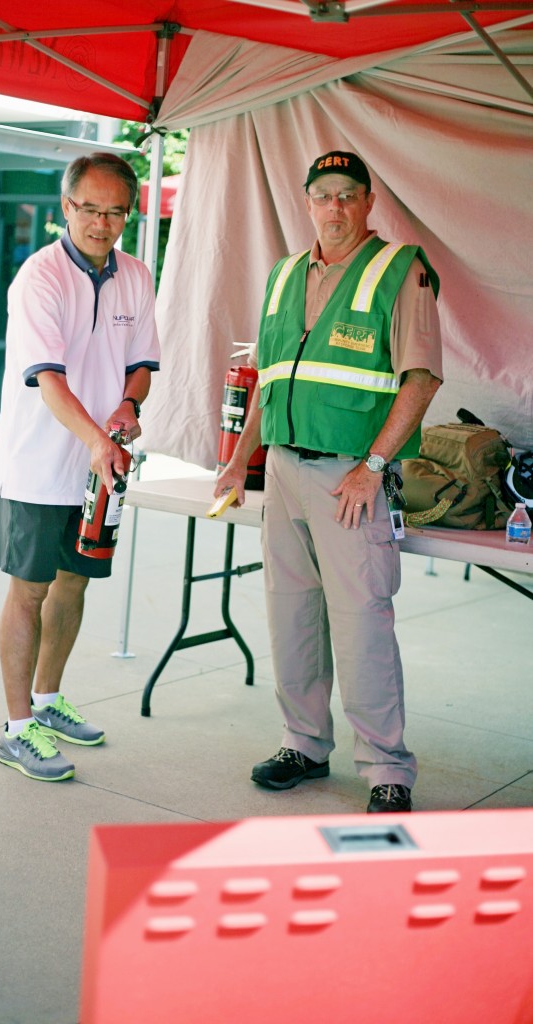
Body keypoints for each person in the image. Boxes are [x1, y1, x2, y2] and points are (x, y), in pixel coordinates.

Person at [215, 150, 443, 813]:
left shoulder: (399, 270)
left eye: (348, 194)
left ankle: (385, 769)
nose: (335, 207)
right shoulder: (285, 275)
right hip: (283, 469)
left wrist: (372, 468)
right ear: (307, 202)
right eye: (323, 195)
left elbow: (421, 379)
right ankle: (304, 744)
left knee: (360, 623)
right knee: (291, 615)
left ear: (368, 201)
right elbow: (270, 378)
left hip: (350, 479)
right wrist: (238, 461)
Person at [0, 153, 160, 782]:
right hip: (38, 463)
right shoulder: (40, 278)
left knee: (74, 584)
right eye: (90, 208)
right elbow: (49, 382)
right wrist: (96, 439)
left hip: (97, 465)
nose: (102, 222)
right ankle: (14, 728)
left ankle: (48, 702)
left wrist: (128, 403)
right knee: (28, 591)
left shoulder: (136, 275)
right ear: (67, 207)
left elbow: (142, 361)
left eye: (115, 211)